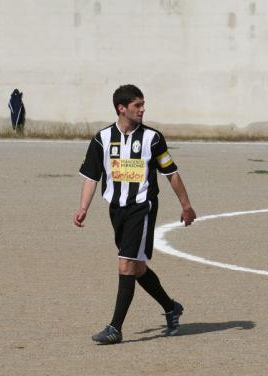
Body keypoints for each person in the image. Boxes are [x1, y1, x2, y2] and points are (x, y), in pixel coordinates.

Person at [73, 84, 196, 345]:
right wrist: (83, 207)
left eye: (143, 105)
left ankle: (115, 328)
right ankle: (171, 307)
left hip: (142, 207)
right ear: (122, 108)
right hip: (116, 209)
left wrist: (186, 206)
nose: (142, 109)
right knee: (137, 268)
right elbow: (91, 177)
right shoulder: (102, 138)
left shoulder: (153, 138)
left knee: (126, 264)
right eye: (137, 105)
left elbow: (171, 173)